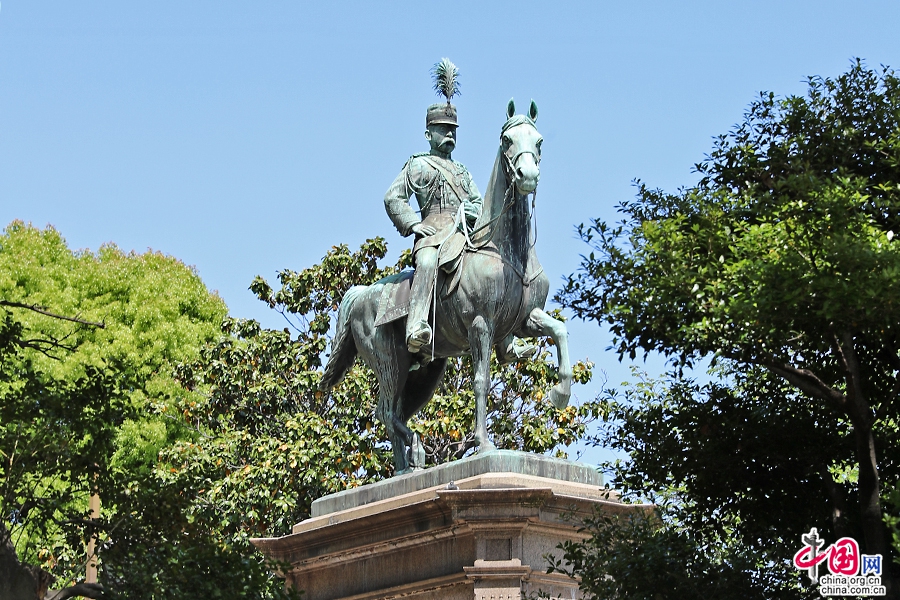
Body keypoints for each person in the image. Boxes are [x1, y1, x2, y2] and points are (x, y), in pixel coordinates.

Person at [384, 101, 483, 353]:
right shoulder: (419, 165)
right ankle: (416, 325)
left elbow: (478, 202)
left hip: (463, 234)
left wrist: (472, 211)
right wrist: (413, 223)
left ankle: (505, 336)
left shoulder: (463, 171)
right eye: (442, 129)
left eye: (452, 129)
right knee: (427, 263)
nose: (449, 134)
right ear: (428, 134)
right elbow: (393, 197)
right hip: (432, 234)